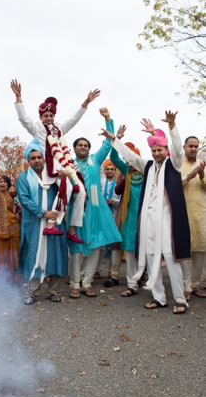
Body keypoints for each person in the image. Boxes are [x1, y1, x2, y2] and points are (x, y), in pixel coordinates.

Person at [101, 111, 190, 314]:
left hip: (168, 222)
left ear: (165, 150)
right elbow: (130, 156)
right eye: (154, 150)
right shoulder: (147, 166)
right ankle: (159, 298)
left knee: (170, 257)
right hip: (148, 222)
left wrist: (173, 124)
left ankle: (180, 299)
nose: (156, 153)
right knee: (150, 258)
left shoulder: (174, 164)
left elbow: (177, 149)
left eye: (159, 150)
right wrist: (114, 139)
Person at [11, 78, 100, 242]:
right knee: (66, 188)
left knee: (80, 190)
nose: (49, 118)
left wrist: (86, 102)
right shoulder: (36, 128)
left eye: (51, 115)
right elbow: (23, 119)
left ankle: (72, 228)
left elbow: (73, 120)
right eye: (46, 116)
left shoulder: (59, 129)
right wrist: (19, 98)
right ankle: (51, 225)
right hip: (48, 167)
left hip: (64, 164)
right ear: (41, 116)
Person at [67, 133, 122, 299]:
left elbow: (107, 146)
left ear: (89, 149)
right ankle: (75, 285)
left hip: (96, 210)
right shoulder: (68, 164)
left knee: (96, 247)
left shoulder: (96, 160)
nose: (83, 147)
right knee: (77, 249)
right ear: (74, 148)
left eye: (86, 145)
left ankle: (87, 283)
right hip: (76, 209)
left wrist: (109, 124)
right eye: (80, 145)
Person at [16, 139, 68, 305]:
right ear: (28, 161)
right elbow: (24, 200)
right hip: (34, 223)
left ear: (44, 158)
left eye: (39, 157)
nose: (37, 160)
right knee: (34, 255)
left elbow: (65, 192)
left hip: (55, 221)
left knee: (56, 255)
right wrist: (43, 213)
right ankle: (33, 292)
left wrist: (63, 177)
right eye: (33, 158)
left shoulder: (53, 176)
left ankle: (54, 291)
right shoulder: (23, 179)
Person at [109, 131, 144, 296]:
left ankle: (150, 281)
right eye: (127, 159)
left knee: (147, 251)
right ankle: (132, 285)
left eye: (132, 159)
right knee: (129, 251)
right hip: (129, 216)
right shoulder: (127, 171)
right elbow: (114, 158)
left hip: (146, 216)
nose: (129, 162)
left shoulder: (147, 169)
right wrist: (117, 140)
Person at [180, 136, 206, 300]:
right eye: (190, 146)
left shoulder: (202, 164)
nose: (193, 149)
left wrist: (202, 176)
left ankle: (195, 285)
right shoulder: (178, 164)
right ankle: (185, 286)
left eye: (196, 147)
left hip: (200, 213)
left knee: (200, 250)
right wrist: (190, 175)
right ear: (184, 147)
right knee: (185, 251)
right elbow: (175, 185)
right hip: (182, 212)